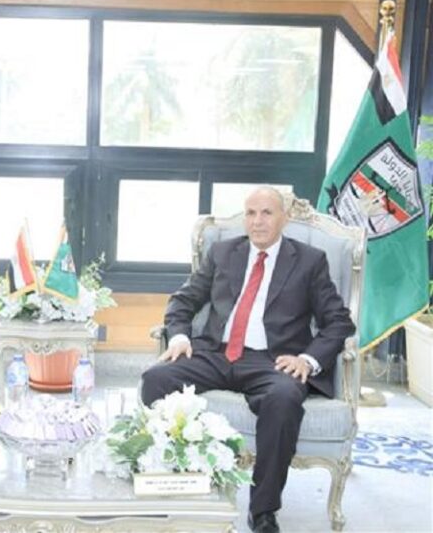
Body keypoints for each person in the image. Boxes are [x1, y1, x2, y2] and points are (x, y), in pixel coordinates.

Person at [140, 186, 355, 533]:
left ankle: (264, 511)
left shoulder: (309, 260)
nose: (257, 221)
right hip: (216, 353)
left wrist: (307, 359)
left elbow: (339, 322)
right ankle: (174, 484)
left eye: (267, 213)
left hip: (273, 361)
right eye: (251, 213)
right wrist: (179, 336)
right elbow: (184, 300)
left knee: (284, 398)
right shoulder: (224, 252)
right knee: (155, 380)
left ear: (284, 218)